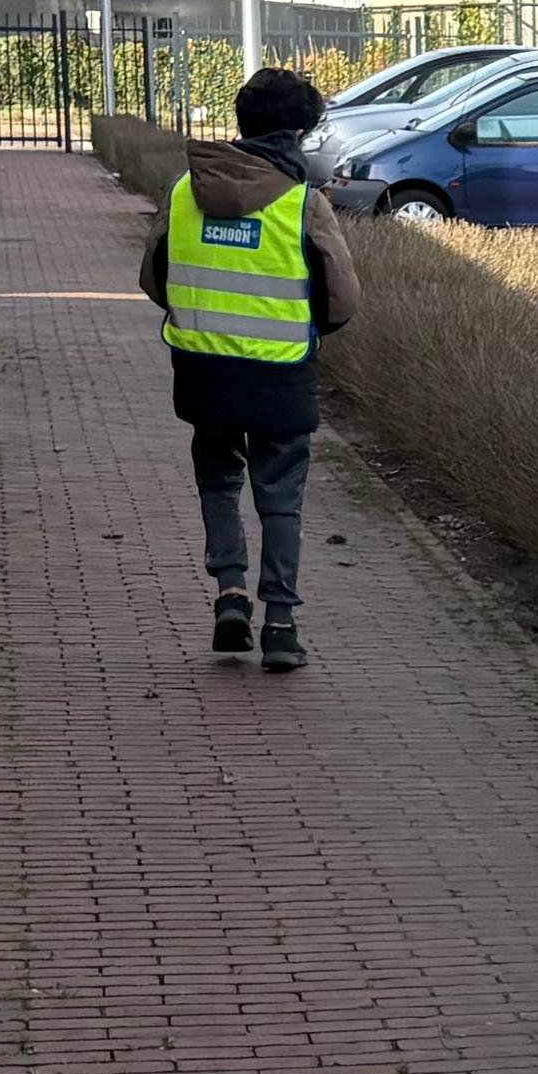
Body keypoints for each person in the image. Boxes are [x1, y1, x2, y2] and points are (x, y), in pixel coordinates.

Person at [148, 67, 363, 672]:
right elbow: (342, 301)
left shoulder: (185, 190)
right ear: (299, 133)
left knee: (219, 483)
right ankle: (282, 626)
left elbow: (155, 278)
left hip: (204, 371)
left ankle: (230, 595)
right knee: (281, 498)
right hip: (280, 376)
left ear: (242, 124)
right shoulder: (304, 203)